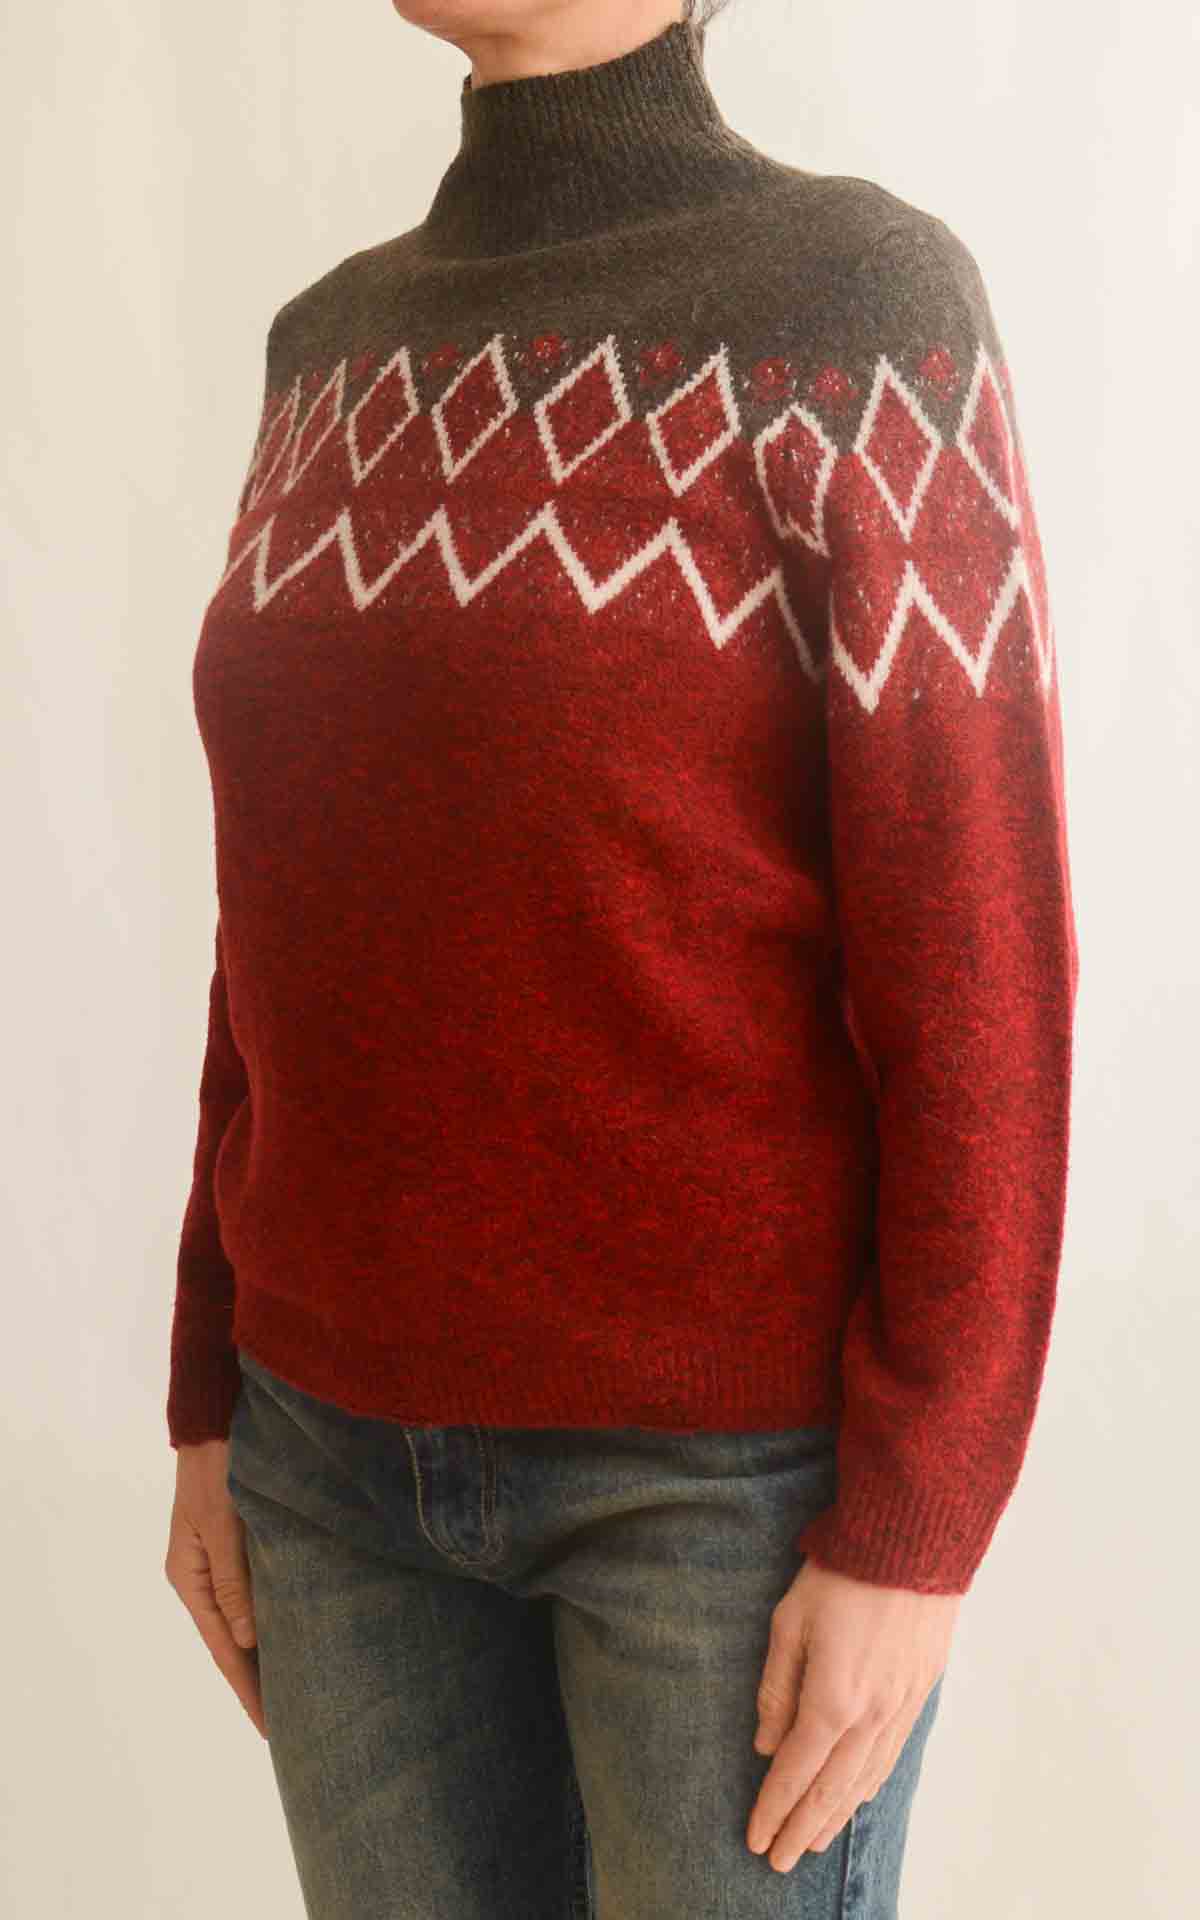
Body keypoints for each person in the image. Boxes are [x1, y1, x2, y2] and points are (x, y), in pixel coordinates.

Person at [162, 3, 1078, 1914]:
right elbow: (284, 925)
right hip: (326, 1460)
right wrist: (206, 1394)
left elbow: (979, 963)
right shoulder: (328, 346)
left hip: (716, 1496)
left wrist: (920, 1521)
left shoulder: (854, 307)